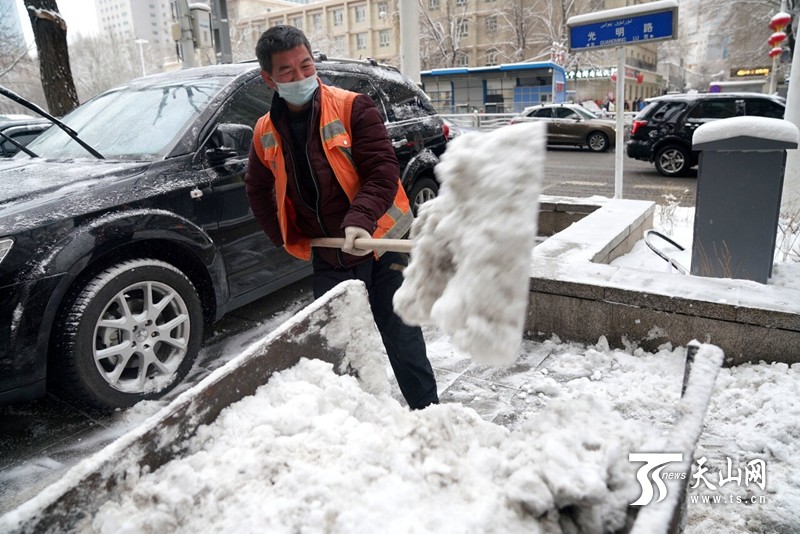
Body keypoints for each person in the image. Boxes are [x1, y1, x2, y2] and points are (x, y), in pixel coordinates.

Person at [244, 25, 439, 410]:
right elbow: (257, 188)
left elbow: (382, 169)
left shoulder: (353, 107)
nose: (301, 76)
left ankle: (428, 413)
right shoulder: (264, 131)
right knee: (342, 343)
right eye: (287, 71)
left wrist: (360, 218)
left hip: (382, 243)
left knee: (401, 336)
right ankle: (362, 421)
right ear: (269, 78)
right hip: (330, 253)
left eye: (306, 65)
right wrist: (282, 236)